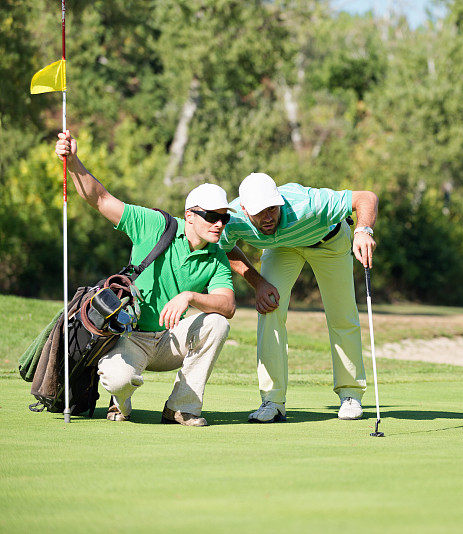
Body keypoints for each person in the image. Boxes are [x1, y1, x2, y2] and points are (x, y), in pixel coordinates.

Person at [55, 131, 236, 427]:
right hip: (130, 337)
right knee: (118, 380)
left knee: (218, 322)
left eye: (224, 218)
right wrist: (73, 161)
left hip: (170, 339)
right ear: (190, 215)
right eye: (211, 216)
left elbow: (227, 305)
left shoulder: (216, 255)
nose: (218, 224)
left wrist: (189, 296)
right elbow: (99, 199)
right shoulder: (154, 225)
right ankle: (121, 403)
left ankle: (180, 407)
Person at [220, 172, 378, 423]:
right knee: (270, 310)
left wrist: (362, 230)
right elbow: (224, 248)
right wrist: (257, 283)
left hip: (329, 242)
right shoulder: (230, 218)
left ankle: (350, 395)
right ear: (243, 208)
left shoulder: (307, 202)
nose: (268, 217)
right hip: (282, 248)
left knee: (342, 314)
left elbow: (366, 198)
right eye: (259, 212)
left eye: (272, 208)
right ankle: (272, 401)